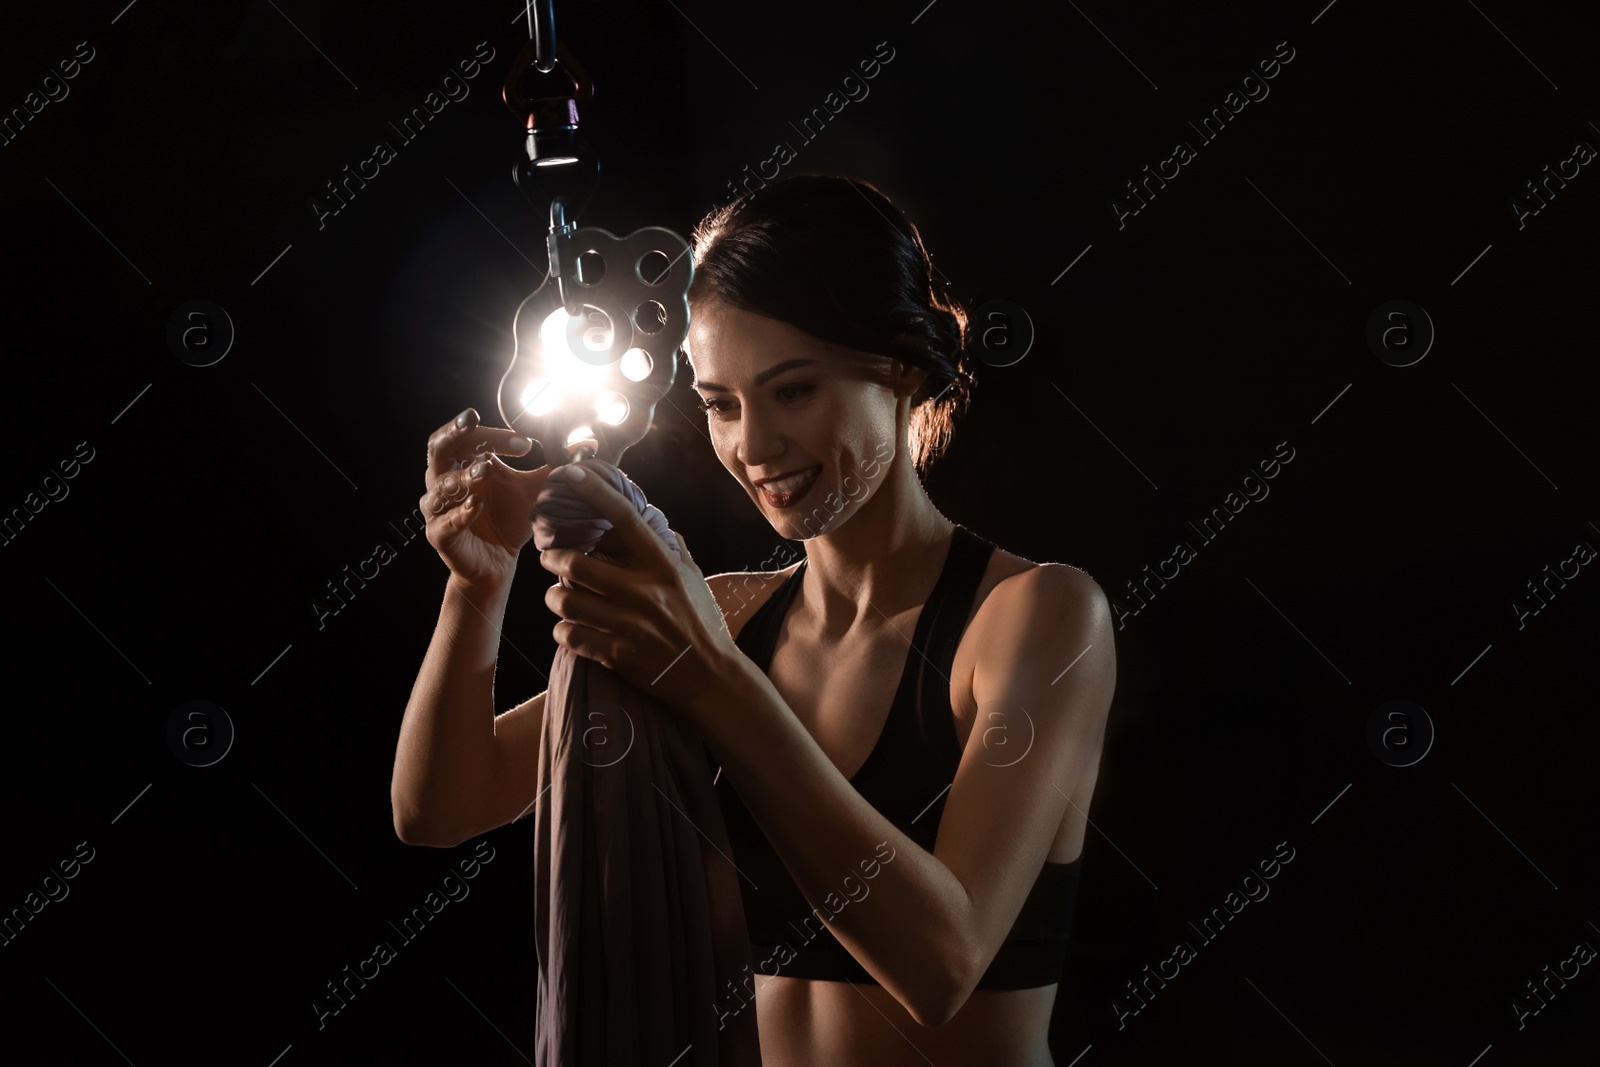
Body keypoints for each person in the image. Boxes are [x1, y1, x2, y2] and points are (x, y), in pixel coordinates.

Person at [392, 174, 1116, 1066]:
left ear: (899, 366)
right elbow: (439, 806)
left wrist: (711, 677)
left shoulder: (1039, 617)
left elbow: (941, 963)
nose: (754, 445)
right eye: (721, 404)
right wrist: (477, 585)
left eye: (793, 391)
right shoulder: (728, 614)